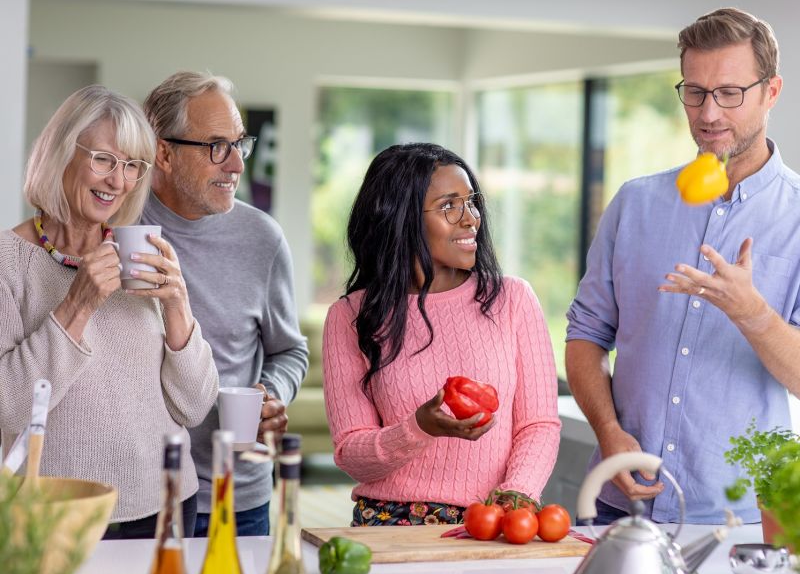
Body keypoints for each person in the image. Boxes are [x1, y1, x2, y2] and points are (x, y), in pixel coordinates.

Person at [566, 7, 800, 525]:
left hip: (743, 521)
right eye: (694, 92)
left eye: (729, 93)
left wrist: (754, 314)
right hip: (619, 510)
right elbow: (585, 335)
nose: (709, 113)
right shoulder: (634, 204)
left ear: (772, 91)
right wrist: (607, 431)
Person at [0, 85, 219, 538]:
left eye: (133, 167)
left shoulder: (142, 254)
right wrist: (77, 306)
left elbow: (194, 406)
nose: (118, 181)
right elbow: (7, 408)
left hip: (166, 504)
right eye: (103, 159)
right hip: (55, 513)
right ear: (61, 153)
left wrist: (178, 308)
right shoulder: (7, 261)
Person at [322, 143, 561, 525]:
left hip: (492, 519)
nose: (471, 219)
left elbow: (539, 424)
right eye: (449, 206)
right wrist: (419, 428)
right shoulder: (350, 316)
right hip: (388, 522)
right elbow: (351, 453)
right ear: (401, 218)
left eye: (472, 202)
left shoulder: (513, 299)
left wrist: (516, 495)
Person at [141, 71, 309, 536]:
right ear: (164, 152)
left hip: (237, 495)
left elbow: (289, 351)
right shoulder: (120, 230)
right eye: (217, 146)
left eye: (240, 144)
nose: (236, 165)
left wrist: (270, 393)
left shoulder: (262, 238)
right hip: (140, 493)